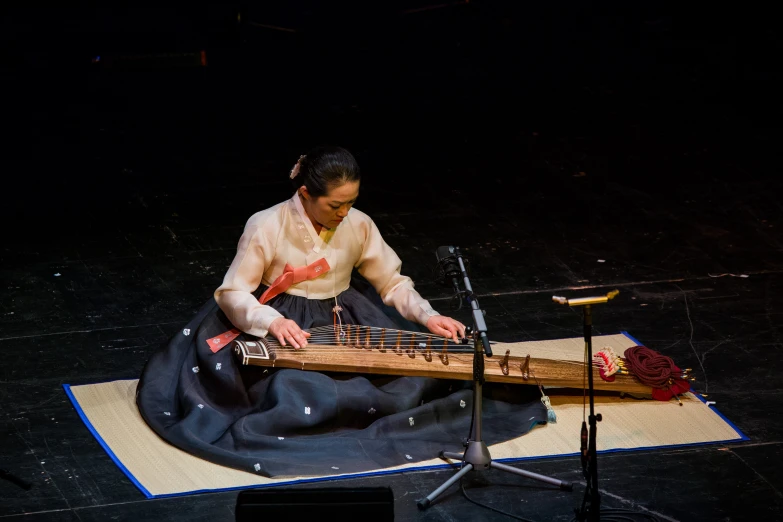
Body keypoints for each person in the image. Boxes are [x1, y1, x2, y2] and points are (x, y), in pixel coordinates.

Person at [136, 146, 546, 478]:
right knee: (293, 393)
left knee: (408, 382)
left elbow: (392, 281)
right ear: (305, 195)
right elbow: (232, 293)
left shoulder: (359, 224)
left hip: (344, 315)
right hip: (277, 319)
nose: (344, 213)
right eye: (335, 205)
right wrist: (273, 321)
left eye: (351, 202)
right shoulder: (266, 224)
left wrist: (426, 316)